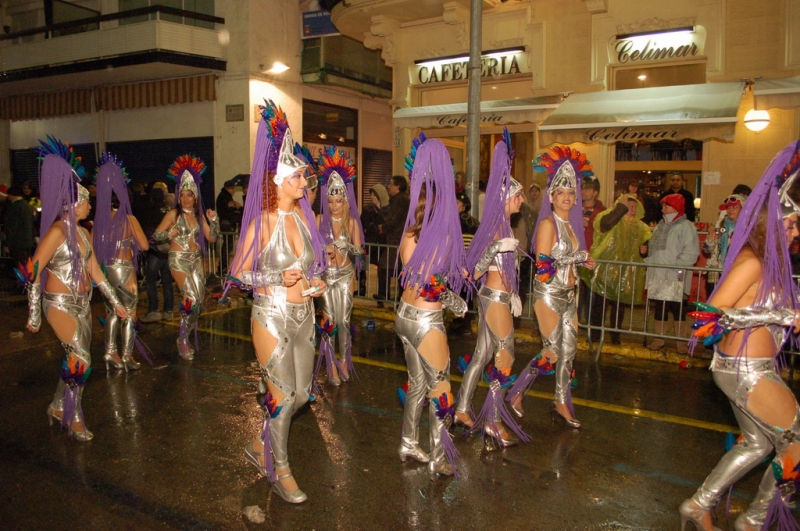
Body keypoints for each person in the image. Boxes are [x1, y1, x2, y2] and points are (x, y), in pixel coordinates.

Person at [679, 140, 800, 531]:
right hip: (745, 370)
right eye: (791, 223)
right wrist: (780, 313)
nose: (796, 231)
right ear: (772, 224)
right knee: (798, 445)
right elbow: (709, 316)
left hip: (750, 366)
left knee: (758, 445)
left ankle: (699, 506)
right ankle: (754, 519)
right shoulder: (751, 261)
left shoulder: (770, 262)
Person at [228, 100, 327, 504]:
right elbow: (236, 275)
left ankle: (258, 445)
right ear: (280, 179)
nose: (305, 182)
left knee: (302, 394)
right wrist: (273, 277)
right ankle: (279, 470)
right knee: (282, 396)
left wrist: (315, 282)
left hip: (304, 314)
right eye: (299, 176)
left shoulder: (307, 220)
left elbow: (309, 267)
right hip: (270, 316)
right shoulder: (261, 222)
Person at [23, 136, 128, 442]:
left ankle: (58, 405)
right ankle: (74, 416)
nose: (90, 204)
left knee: (76, 358)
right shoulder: (57, 231)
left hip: (82, 303)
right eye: (87, 200)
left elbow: (95, 270)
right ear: (74, 202)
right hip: (58, 303)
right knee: (82, 358)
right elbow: (33, 270)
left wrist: (114, 300)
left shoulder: (82, 232)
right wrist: (34, 314)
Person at [508, 146, 595, 429]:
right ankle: (517, 392)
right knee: (551, 352)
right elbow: (544, 264)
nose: (568, 197)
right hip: (549, 296)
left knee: (569, 352)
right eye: (561, 193)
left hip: (570, 296)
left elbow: (566, 261)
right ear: (552, 197)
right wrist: (578, 257)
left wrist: (582, 264)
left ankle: (560, 401)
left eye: (571, 193)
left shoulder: (571, 226)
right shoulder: (548, 224)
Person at [396, 136, 467, 480]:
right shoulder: (443, 234)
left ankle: (409, 441)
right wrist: (454, 299)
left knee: (417, 385)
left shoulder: (411, 232)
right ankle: (438, 457)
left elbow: (414, 276)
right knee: (441, 389)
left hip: (403, 316)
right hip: (425, 320)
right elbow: (430, 284)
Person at [456, 130, 527, 448]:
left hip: (499, 297)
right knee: (504, 359)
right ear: (507, 199)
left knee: (482, 356)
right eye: (518, 196)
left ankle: (460, 409)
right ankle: (493, 423)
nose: (522, 200)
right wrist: (498, 246)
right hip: (493, 298)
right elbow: (477, 269)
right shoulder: (498, 228)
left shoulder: (505, 225)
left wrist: (513, 295)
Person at [153, 155, 220, 360]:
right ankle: (182, 339)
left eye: (189, 195)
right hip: (178, 259)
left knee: (198, 302)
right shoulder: (173, 215)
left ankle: (186, 334)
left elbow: (212, 237)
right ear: (178, 195)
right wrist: (168, 234)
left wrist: (214, 220)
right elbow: (156, 236)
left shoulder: (199, 216)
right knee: (190, 298)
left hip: (196, 259)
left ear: (195, 196)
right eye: (182, 195)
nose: (185, 198)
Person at [93, 152, 149, 372]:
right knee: (129, 312)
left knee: (112, 311)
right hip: (124, 270)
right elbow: (144, 245)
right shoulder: (128, 219)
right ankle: (126, 355)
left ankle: (110, 351)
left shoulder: (98, 221)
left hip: (105, 270)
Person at [314, 146, 364, 386]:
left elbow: (359, 250)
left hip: (345, 275)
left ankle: (344, 360)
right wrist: (324, 250)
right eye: (331, 200)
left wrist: (343, 245)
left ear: (346, 200)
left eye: (339, 200)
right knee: (329, 321)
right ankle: (329, 364)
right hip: (325, 276)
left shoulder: (352, 222)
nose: (335, 205)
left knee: (343, 320)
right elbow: (310, 249)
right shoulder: (318, 220)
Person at [582, 194, 651, 344]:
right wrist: (620, 209)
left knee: (619, 306)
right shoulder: (608, 216)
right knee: (600, 304)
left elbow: (645, 245)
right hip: (604, 269)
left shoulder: (640, 226)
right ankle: (595, 336)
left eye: (634, 207)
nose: (632, 210)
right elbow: (604, 225)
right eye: (629, 206)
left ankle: (615, 335)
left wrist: (644, 250)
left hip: (624, 272)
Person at [642, 193, 699, 354]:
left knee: (678, 308)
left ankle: (681, 342)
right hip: (659, 273)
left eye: (666, 205)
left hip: (675, 275)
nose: (663, 208)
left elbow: (690, 251)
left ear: (676, 207)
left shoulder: (686, 226)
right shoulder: (661, 225)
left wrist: (677, 267)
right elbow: (656, 249)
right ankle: (659, 339)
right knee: (660, 307)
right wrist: (646, 255)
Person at [139, 186, 174, 323]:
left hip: (155, 252)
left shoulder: (149, 211)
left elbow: (148, 230)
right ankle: (168, 311)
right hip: (168, 251)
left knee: (151, 281)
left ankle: (154, 310)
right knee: (167, 282)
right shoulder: (168, 211)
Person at [374, 174, 409, 304]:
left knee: (385, 266)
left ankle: (386, 295)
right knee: (396, 268)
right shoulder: (398, 200)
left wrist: (384, 227)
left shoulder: (401, 201)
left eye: (391, 184)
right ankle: (391, 295)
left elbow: (393, 219)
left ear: (398, 186)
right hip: (396, 239)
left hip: (397, 240)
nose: (389, 186)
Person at [703, 194, 745, 297]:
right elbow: (706, 250)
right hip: (716, 271)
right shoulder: (719, 226)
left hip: (736, 271)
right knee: (712, 302)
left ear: (743, 209)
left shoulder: (748, 228)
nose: (731, 210)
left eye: (735, 207)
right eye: (728, 207)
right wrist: (710, 241)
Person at [579, 177, 605, 324]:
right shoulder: (573, 207)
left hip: (592, 256)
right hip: (576, 255)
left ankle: (590, 327)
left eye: (588, 189)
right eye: (583, 188)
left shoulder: (602, 211)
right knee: (576, 293)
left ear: (595, 192)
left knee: (592, 295)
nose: (584, 192)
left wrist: (589, 225)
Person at [215, 179, 243, 273]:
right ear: (228, 188)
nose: (234, 190)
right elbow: (226, 212)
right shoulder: (225, 197)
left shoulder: (223, 196)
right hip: (227, 223)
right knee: (227, 245)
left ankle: (223, 266)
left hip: (226, 222)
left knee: (227, 245)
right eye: (232, 188)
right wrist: (233, 208)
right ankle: (223, 266)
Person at [3, 185, 35, 265]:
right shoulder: (27, 205)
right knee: (27, 264)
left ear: (11, 195)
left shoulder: (14, 207)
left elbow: (12, 226)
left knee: (20, 265)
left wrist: (7, 244)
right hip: (28, 240)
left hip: (17, 242)